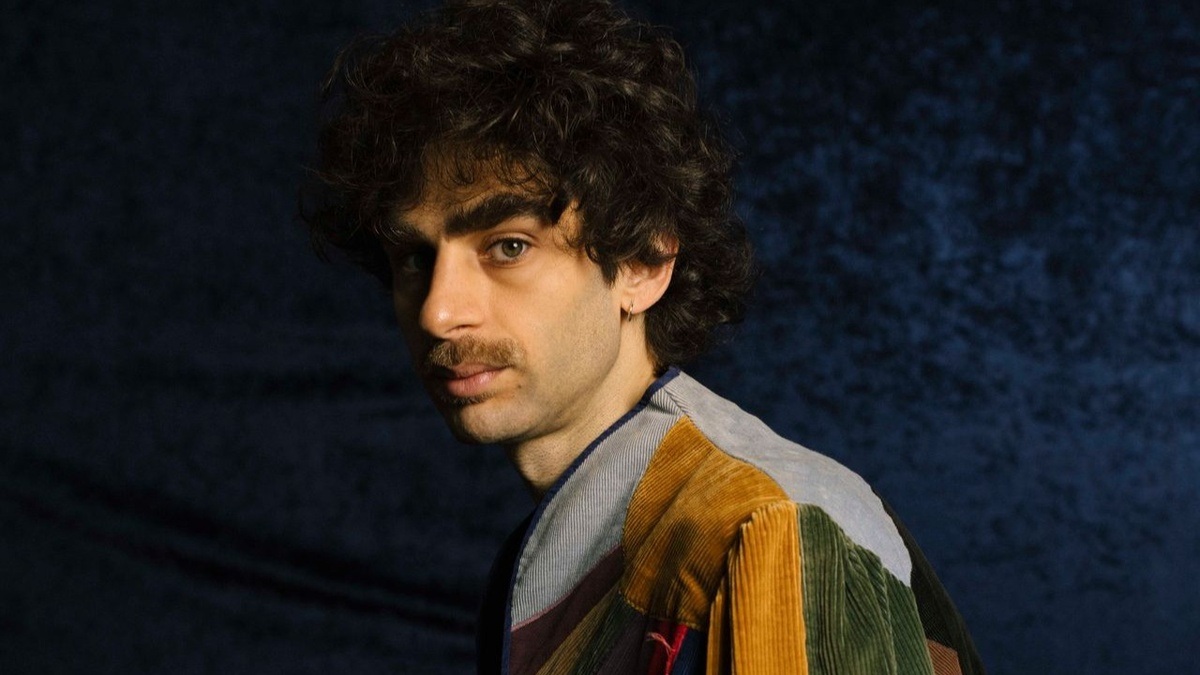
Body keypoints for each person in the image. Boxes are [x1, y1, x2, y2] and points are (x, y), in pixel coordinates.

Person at [300, 1, 983, 673]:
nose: (438, 312)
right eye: (414, 258)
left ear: (643, 262)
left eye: (508, 246)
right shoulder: (560, 545)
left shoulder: (769, 527)